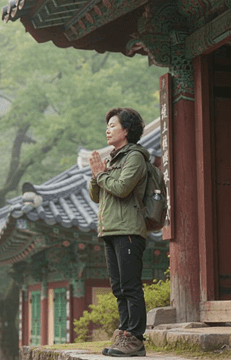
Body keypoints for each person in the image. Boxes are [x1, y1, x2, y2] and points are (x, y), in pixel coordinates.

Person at [88, 107, 149, 357]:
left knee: (130, 285)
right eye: (108, 125)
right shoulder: (112, 159)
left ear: (126, 130)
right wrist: (96, 175)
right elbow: (96, 195)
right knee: (118, 287)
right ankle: (124, 333)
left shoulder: (134, 157)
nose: (107, 129)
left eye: (113, 125)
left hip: (128, 230)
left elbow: (123, 188)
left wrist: (101, 174)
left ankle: (135, 338)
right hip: (110, 230)